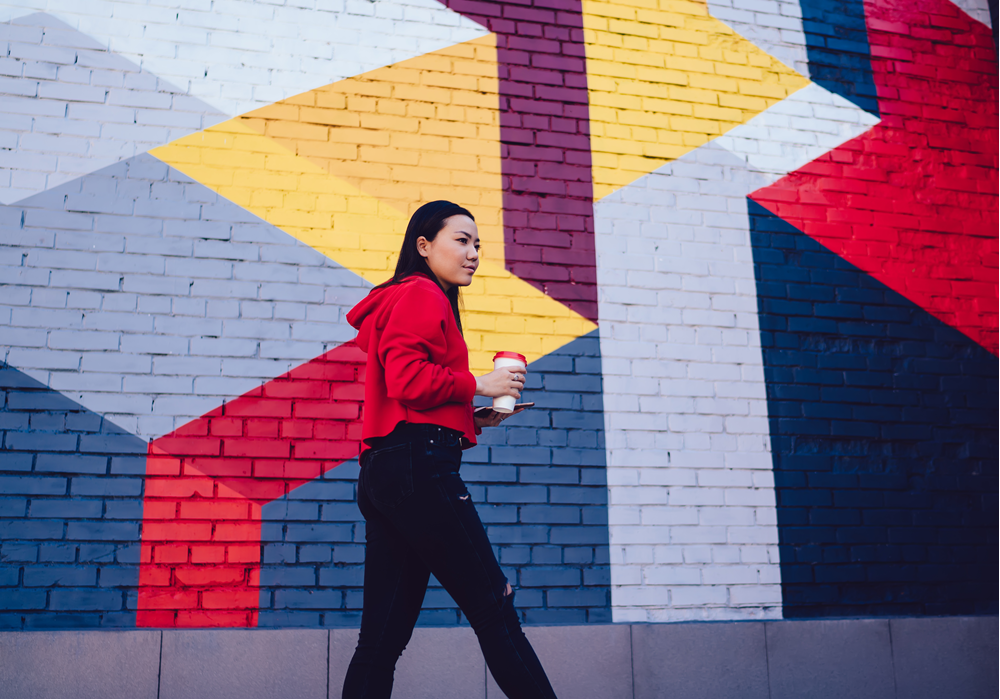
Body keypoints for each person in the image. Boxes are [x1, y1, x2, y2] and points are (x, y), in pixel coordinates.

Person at [341, 201, 557, 699]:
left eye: (477, 243)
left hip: (386, 471)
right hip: (419, 471)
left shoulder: (400, 298)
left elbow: (409, 396)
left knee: (380, 640)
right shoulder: (422, 294)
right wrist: (480, 383)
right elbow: (409, 379)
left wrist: (470, 415)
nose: (474, 252)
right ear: (424, 245)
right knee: (493, 607)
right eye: (461, 240)